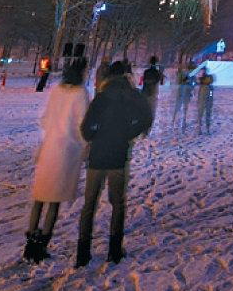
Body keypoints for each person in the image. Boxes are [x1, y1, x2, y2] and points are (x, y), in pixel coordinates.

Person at [76, 60, 152, 267]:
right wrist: (128, 134)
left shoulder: (101, 97)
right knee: (117, 203)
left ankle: (82, 252)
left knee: (89, 204)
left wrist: (96, 136)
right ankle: (115, 250)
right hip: (119, 155)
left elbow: (85, 129)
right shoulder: (133, 96)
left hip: (98, 155)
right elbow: (146, 119)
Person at [24, 58, 89, 263]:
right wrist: (85, 145)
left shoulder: (56, 90)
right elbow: (82, 124)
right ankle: (42, 244)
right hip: (66, 151)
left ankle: (30, 242)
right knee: (54, 200)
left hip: (49, 147)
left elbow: (44, 118)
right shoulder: (80, 93)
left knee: (40, 197)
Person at [171, 62, 194, 133]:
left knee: (181, 108)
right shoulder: (186, 74)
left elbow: (178, 81)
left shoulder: (188, 74)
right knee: (181, 108)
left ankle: (178, 122)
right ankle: (176, 122)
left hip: (184, 93)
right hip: (182, 93)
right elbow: (178, 81)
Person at [140, 55, 163, 125]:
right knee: (152, 110)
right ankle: (148, 126)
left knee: (144, 110)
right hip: (153, 92)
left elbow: (143, 82)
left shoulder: (146, 72)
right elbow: (160, 82)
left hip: (145, 92)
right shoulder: (158, 72)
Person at [196, 69, 214, 135]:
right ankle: (206, 129)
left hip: (202, 102)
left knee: (201, 116)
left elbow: (200, 95)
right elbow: (211, 95)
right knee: (206, 116)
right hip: (206, 102)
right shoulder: (209, 87)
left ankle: (201, 129)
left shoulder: (202, 87)